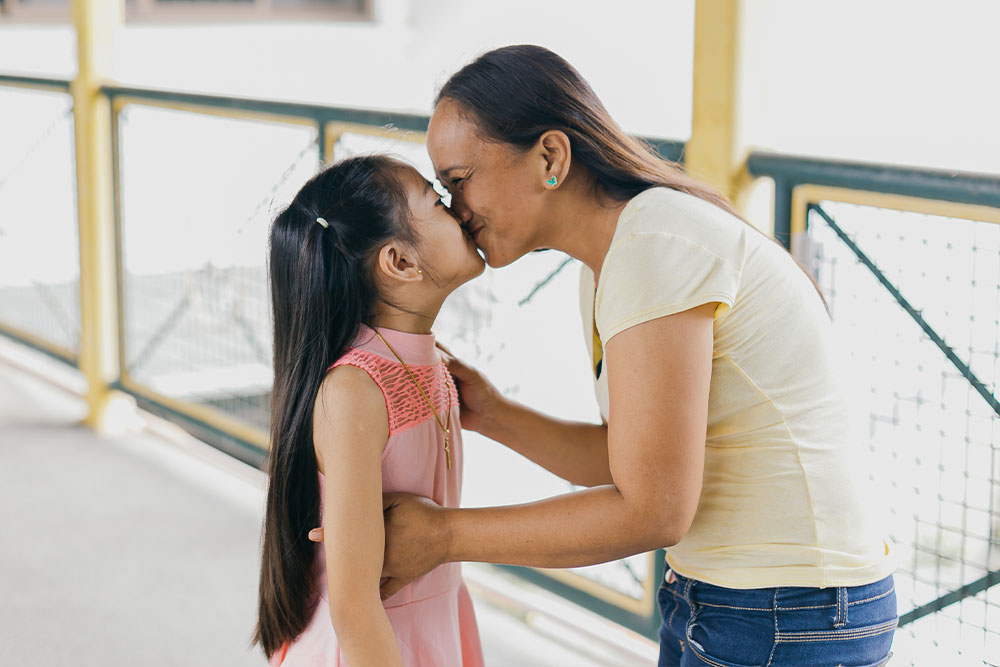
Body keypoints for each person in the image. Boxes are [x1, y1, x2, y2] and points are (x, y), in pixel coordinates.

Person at [311, 45, 898, 666]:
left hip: (782, 609)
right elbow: (634, 463)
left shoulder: (651, 245)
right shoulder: (611, 262)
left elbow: (654, 510)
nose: (456, 209)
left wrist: (442, 535)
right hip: (750, 602)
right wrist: (495, 414)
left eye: (459, 181)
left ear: (550, 157)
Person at [254, 154, 486, 666]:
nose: (460, 210)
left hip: (433, 623)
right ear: (400, 262)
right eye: (437, 200)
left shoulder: (427, 360)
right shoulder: (355, 389)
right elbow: (356, 608)